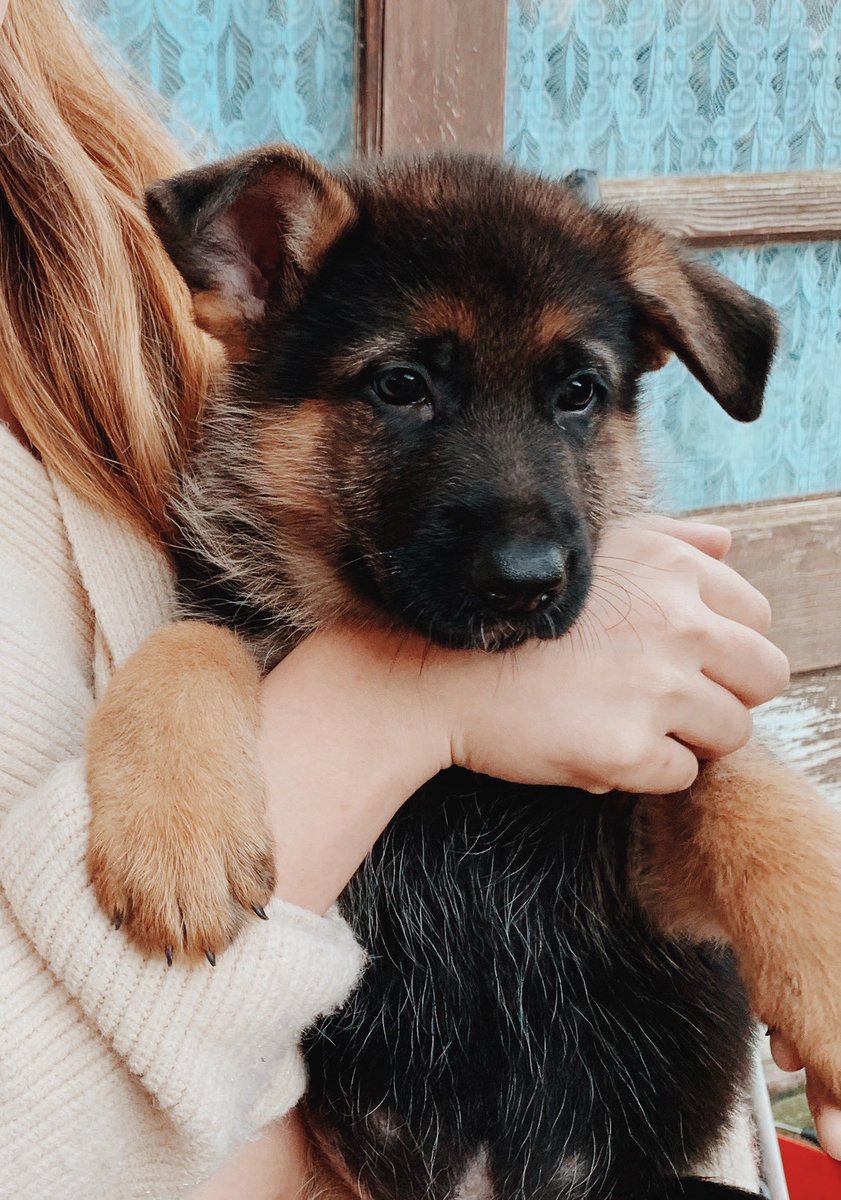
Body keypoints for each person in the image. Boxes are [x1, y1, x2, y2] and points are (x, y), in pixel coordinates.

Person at [0, 1, 831, 1196]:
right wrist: (187, 687)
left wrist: (773, 855)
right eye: (401, 388)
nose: (521, 536)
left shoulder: (619, 622)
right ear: (247, 287)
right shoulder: (212, 603)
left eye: (571, 397)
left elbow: (664, 814)